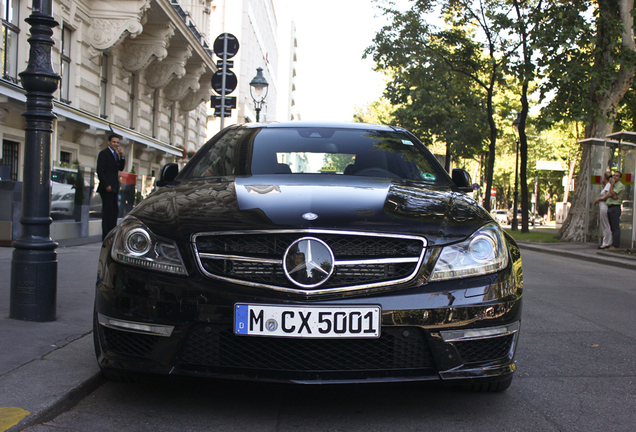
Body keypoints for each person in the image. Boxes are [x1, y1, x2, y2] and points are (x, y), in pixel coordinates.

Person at [97, 134, 125, 240]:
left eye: (117, 142)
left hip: (114, 187)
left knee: (114, 212)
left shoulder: (116, 155)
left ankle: (112, 235)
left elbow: (120, 168)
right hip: (107, 188)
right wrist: (106, 184)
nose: (116, 144)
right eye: (114, 142)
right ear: (109, 142)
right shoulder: (104, 154)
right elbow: (100, 170)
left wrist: (122, 156)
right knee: (107, 213)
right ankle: (106, 236)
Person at [606, 170, 626, 250]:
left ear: (620, 178)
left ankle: (615, 244)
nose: (614, 177)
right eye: (614, 175)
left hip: (615, 207)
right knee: (611, 227)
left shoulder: (620, 186)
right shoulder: (613, 185)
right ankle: (612, 242)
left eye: (617, 176)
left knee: (615, 227)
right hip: (610, 206)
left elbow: (612, 194)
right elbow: (608, 195)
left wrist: (612, 186)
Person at [594, 172, 613, 249]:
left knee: (605, 225)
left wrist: (599, 199)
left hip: (604, 206)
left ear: (605, 177)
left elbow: (606, 196)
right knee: (604, 224)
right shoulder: (607, 185)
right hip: (602, 206)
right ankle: (606, 241)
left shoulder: (608, 185)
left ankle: (606, 242)